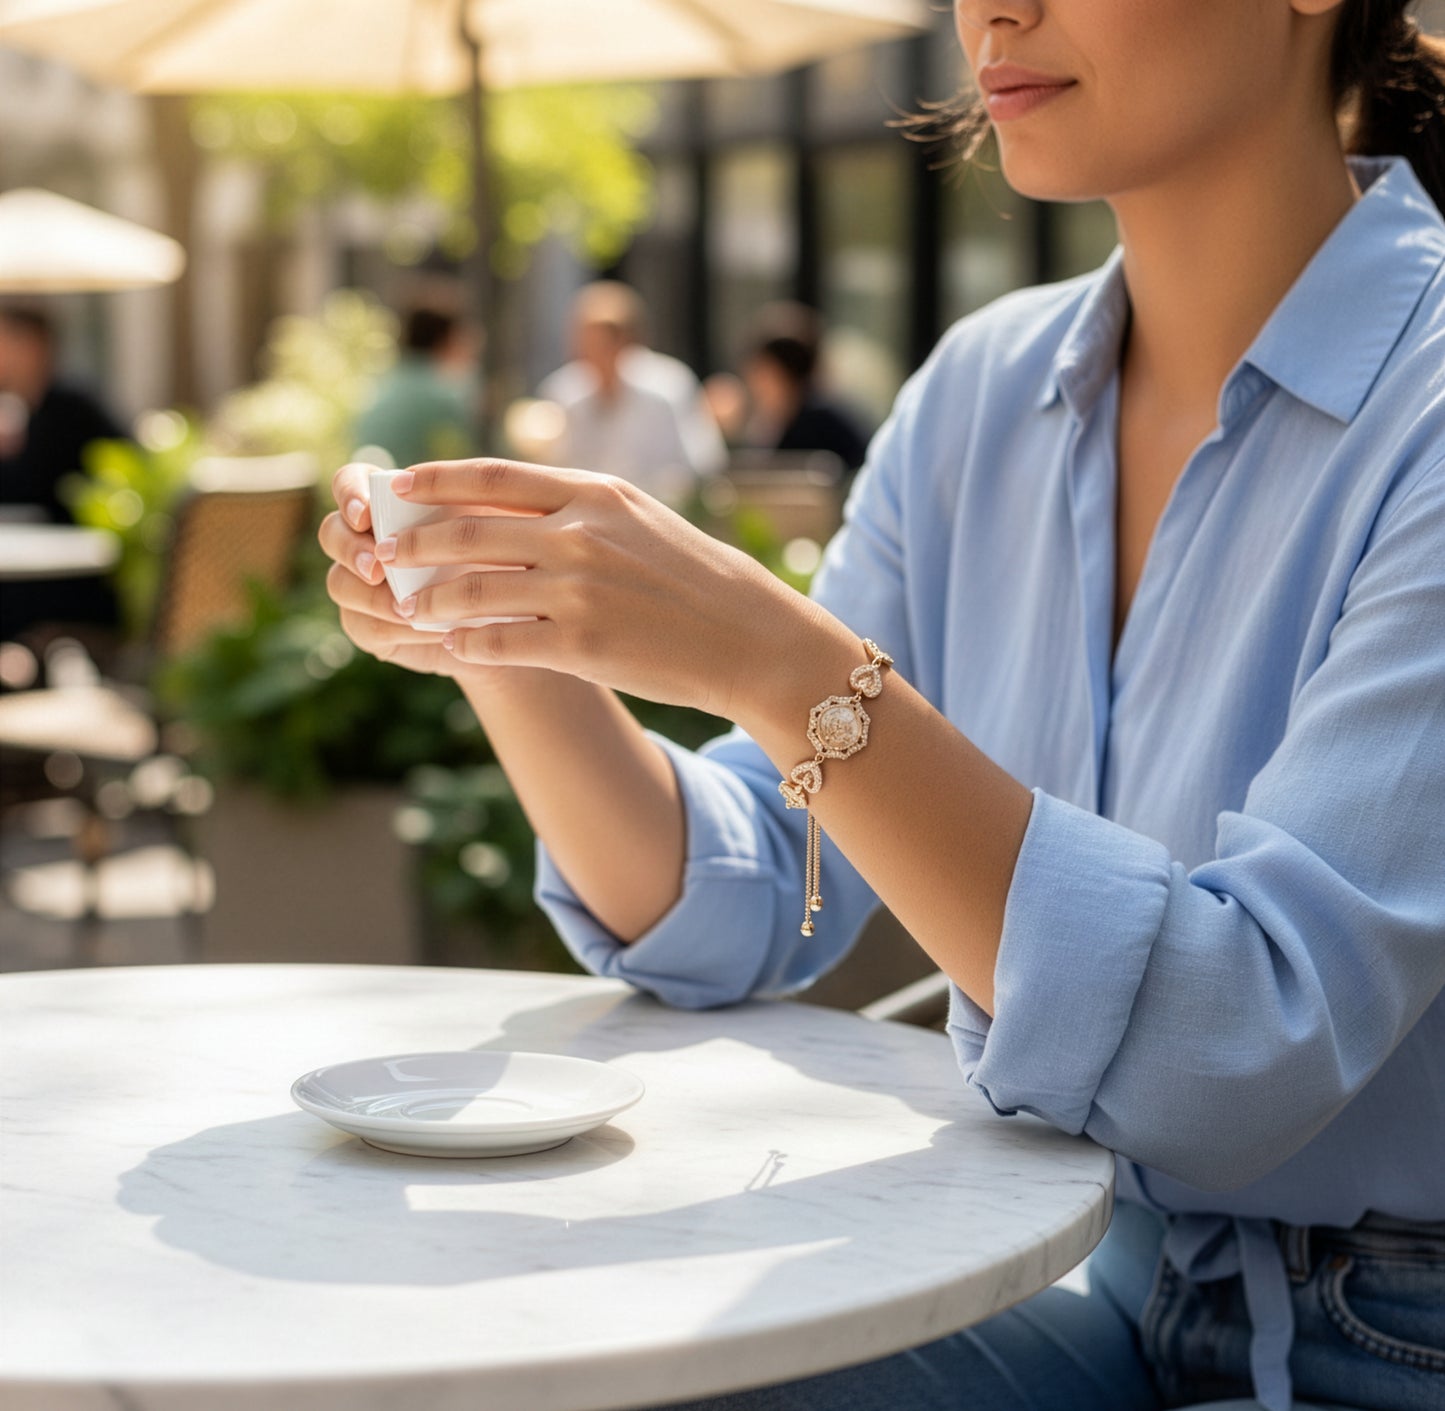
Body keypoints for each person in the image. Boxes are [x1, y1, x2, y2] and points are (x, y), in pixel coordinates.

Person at [321, 3, 1445, 1409]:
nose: (994, 12)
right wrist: (501, 627)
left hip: (1393, 1335)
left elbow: (1232, 1045)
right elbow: (754, 886)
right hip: (1083, 1263)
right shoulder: (979, 394)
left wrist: (778, 661)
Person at [539, 280, 727, 493]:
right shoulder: (562, 391)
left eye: (603, 341)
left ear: (629, 340)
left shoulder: (669, 387)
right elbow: (552, 466)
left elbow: (702, 461)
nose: (591, 350)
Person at [0, 305, 127, 526]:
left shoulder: (75, 407)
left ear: (36, 348)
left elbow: (123, 460)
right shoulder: (11, 407)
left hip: (73, 535)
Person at [736, 302, 872, 473]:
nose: (751, 379)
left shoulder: (821, 422)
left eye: (759, 369)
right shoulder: (775, 419)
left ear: (778, 373)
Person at [352, 301, 479, 471]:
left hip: (369, 475)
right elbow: (466, 457)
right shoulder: (441, 394)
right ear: (445, 340)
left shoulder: (386, 381)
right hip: (407, 481)